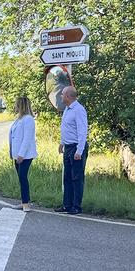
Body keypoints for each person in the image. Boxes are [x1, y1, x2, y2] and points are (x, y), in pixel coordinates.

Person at [57, 86, 88, 215]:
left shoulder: (78, 110)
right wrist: (62, 143)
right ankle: (67, 205)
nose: (61, 96)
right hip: (68, 146)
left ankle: (76, 206)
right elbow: (67, 128)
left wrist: (79, 151)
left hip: (76, 147)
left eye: (63, 94)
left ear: (69, 96)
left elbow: (82, 131)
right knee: (67, 177)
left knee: (76, 178)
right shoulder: (67, 110)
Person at [8, 97, 37, 212]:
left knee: (23, 177)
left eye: (17, 104)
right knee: (21, 178)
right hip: (17, 155)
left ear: (21, 105)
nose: (15, 106)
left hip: (25, 155)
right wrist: (12, 153)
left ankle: (26, 203)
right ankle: (24, 201)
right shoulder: (18, 119)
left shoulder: (28, 119)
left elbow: (27, 138)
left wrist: (21, 154)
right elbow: (13, 137)